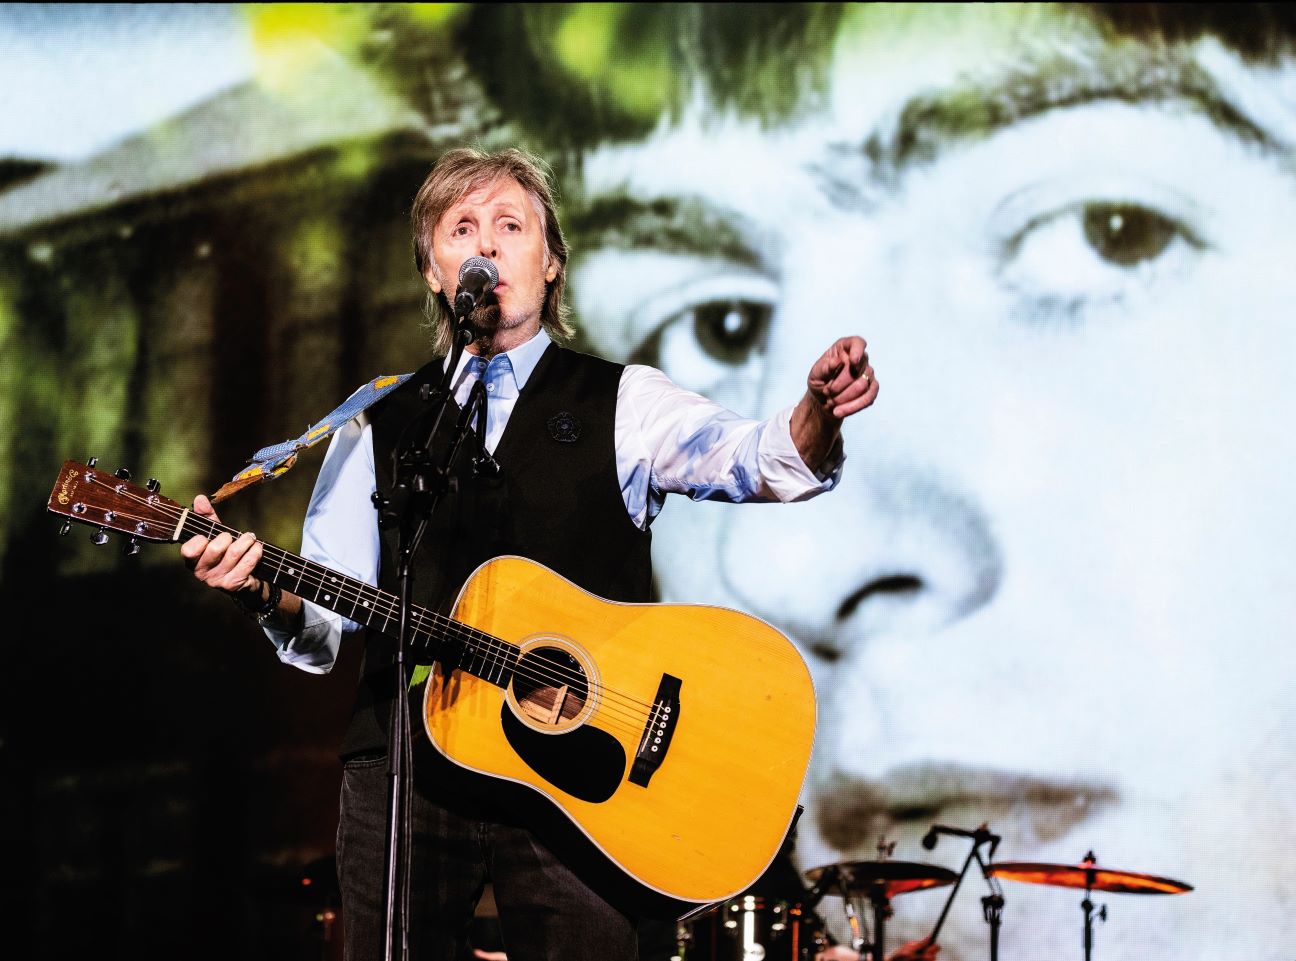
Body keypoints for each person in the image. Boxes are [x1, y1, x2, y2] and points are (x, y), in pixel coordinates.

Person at [442, 4, 1295, 959]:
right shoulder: (403, 420)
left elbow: (765, 456)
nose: (795, 570)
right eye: (720, 323)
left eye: (1108, 231)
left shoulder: (624, 404)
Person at [180, 146, 878, 960]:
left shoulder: (624, 401)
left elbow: (761, 460)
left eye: (510, 226)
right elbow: (325, 625)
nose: (487, 243)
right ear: (435, 272)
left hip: (587, 780)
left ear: (550, 264)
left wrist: (817, 414)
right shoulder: (375, 422)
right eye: (461, 229)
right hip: (406, 769)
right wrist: (262, 592)